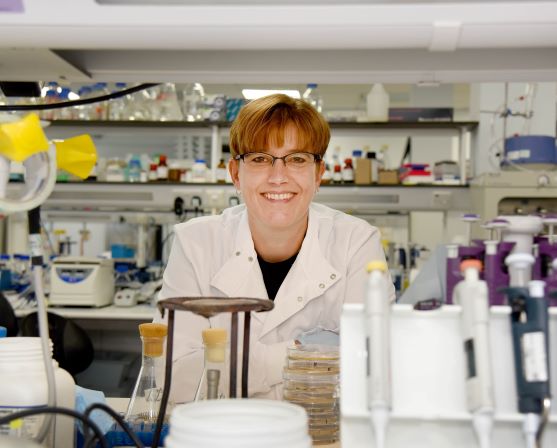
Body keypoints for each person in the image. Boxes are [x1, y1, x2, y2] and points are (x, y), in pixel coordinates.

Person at [156, 93, 395, 402]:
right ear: (236, 174)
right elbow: (171, 379)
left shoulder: (356, 243)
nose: (278, 177)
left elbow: (376, 370)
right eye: (259, 158)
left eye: (297, 159)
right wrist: (300, 352)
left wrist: (225, 361)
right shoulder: (196, 243)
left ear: (318, 174)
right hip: (222, 435)